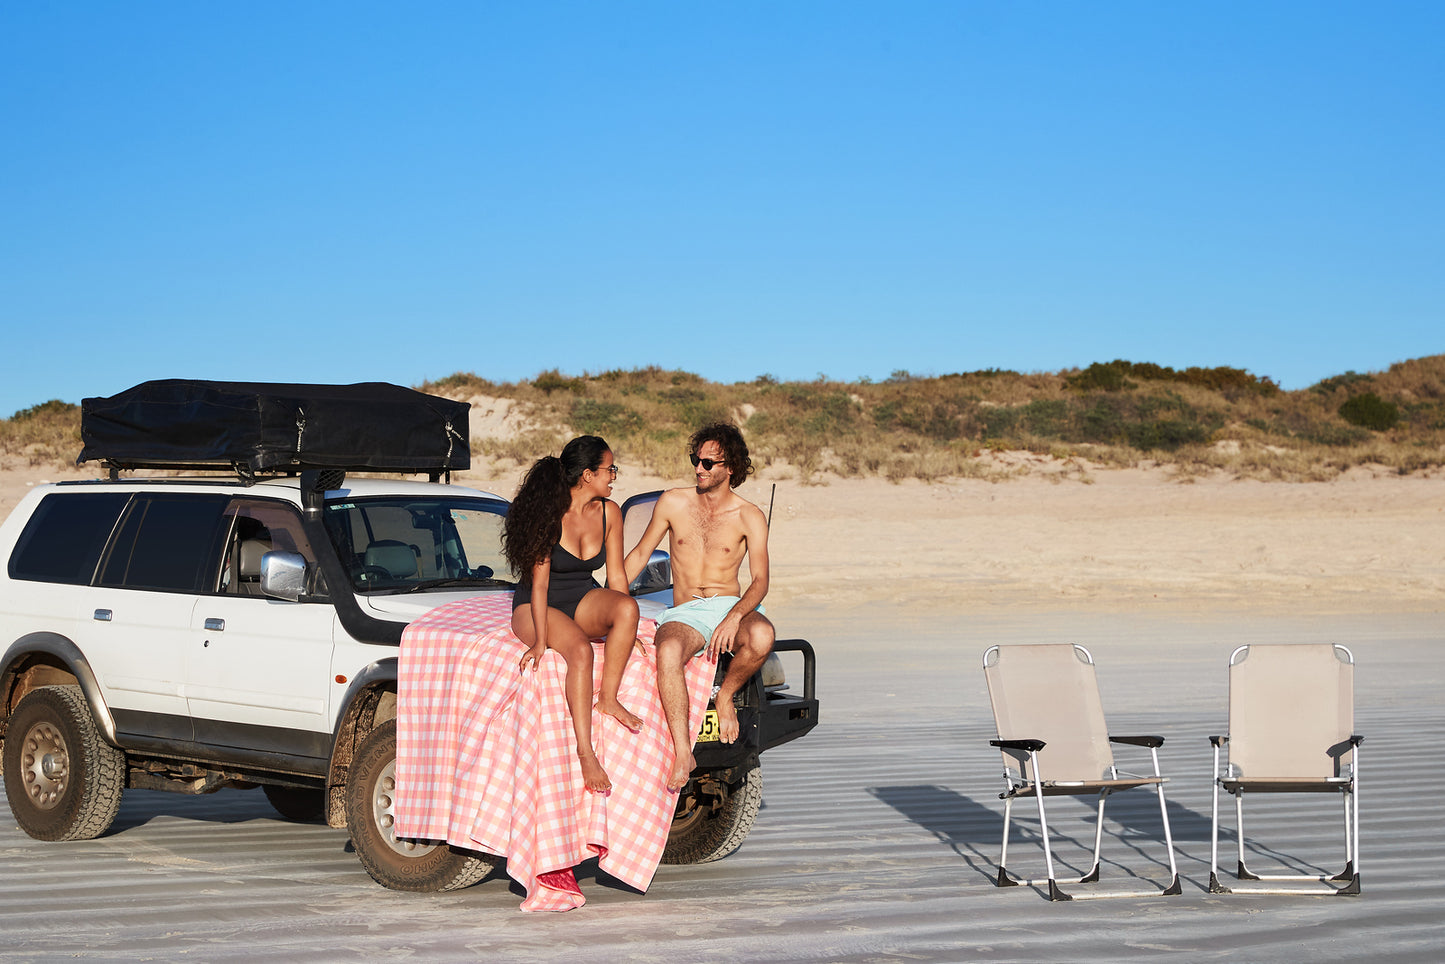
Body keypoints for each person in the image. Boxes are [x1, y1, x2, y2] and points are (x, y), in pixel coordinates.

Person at [623, 422, 774, 791]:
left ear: (730, 468)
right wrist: (612, 596)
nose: (699, 469)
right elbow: (641, 553)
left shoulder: (748, 515)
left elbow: (760, 581)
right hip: (686, 609)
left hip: (728, 604)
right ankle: (682, 751)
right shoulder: (674, 502)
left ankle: (724, 696)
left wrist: (733, 616)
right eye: (696, 460)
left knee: (762, 634)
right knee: (669, 648)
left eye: (709, 463)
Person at [503, 435, 643, 794]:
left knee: (628, 608)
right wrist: (540, 641)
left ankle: (608, 699)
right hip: (537, 604)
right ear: (586, 474)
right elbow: (538, 586)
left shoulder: (610, 512)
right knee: (580, 651)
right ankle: (586, 752)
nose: (614, 475)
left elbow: (616, 576)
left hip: (582, 597)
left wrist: (628, 629)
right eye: (609, 469)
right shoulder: (549, 513)